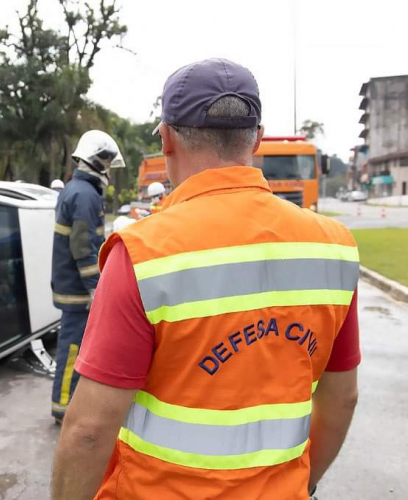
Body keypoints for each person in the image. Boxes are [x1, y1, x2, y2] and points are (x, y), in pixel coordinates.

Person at [53, 59, 360, 499]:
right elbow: (341, 399)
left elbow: (88, 430)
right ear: (256, 137)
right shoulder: (334, 247)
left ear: (166, 138)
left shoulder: (142, 253)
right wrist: (303, 482)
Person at [51, 129, 125, 424]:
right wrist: (95, 287)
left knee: (75, 347)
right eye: (107, 160)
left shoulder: (77, 189)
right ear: (99, 160)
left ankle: (68, 404)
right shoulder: (84, 194)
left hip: (72, 286)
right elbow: (83, 246)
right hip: (77, 291)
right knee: (71, 349)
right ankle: (63, 410)